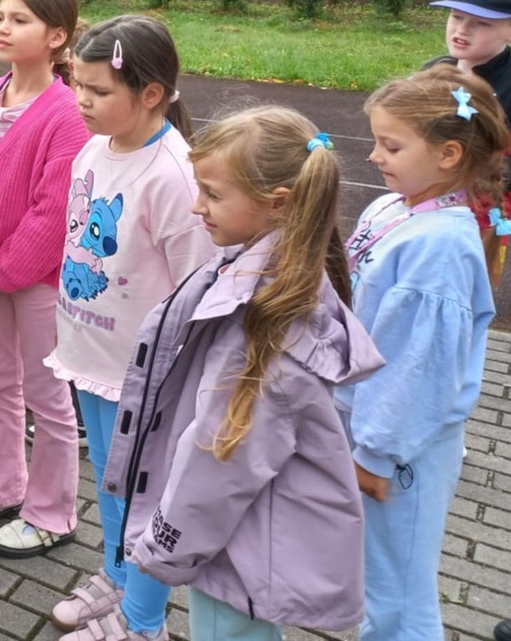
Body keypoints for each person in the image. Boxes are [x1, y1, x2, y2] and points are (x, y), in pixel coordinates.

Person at [103, 107, 383, 641]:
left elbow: (223, 455)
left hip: (237, 545)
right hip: (244, 535)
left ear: (276, 204)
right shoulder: (268, 272)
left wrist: (167, 542)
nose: (195, 205)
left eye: (211, 193)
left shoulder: (260, 322)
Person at [48, 17, 214, 641]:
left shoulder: (174, 174)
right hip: (90, 357)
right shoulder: (95, 148)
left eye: (97, 90)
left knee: (142, 501)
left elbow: (195, 294)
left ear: (150, 93)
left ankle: (142, 622)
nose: (82, 102)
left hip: (142, 381)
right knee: (108, 483)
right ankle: (117, 577)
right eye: (78, 86)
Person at [340, 66, 504, 640]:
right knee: (372, 580)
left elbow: (418, 370)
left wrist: (375, 454)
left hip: (397, 449)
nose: (374, 157)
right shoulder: (395, 208)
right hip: (367, 429)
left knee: (397, 594)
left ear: (449, 154)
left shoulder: (440, 249)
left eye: (391, 145)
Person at [0, 0, 89, 558]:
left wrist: (1, 275)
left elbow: (51, 211)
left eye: (20, 20)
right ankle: (3, 485)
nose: (3, 28)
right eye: (0, 16)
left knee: (47, 397)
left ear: (57, 37)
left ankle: (54, 511)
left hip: (34, 284)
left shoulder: (68, 114)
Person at [427, 0, 511, 215]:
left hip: (482, 211)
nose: (463, 29)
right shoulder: (433, 71)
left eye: (482, 23)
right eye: (456, 16)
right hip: (424, 197)